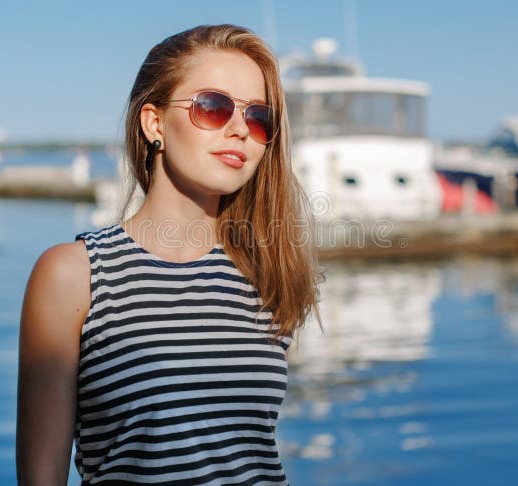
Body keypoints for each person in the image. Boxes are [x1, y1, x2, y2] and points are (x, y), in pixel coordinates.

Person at [16, 24, 320, 485]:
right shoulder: (74, 276)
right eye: (213, 108)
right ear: (154, 123)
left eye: (259, 118)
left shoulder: (268, 274)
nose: (240, 130)